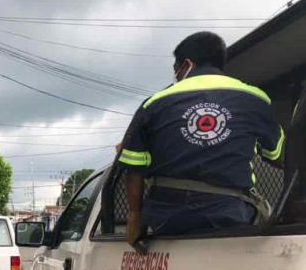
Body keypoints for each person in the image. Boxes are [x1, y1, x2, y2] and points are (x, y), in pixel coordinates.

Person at [119, 31, 285, 248]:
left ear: (187, 64)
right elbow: (278, 156)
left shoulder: (154, 103)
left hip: (167, 219)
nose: (176, 76)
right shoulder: (255, 99)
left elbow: (134, 169)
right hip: (230, 216)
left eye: (176, 69)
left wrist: (134, 220)